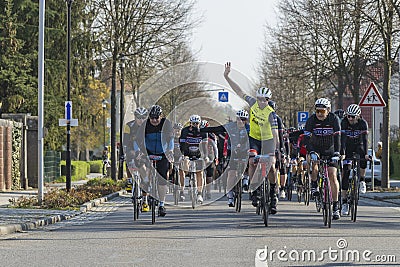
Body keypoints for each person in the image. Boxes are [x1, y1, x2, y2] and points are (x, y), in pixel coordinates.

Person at [224, 62, 280, 214]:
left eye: (264, 100)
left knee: (271, 166)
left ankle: (273, 194)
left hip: (268, 141)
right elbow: (239, 91)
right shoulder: (253, 103)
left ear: (268, 101)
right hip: (254, 139)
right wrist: (226, 76)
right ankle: (254, 189)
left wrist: (276, 150)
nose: (261, 102)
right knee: (252, 160)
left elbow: (275, 134)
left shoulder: (271, 114)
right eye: (260, 99)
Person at [201, 109, 250, 207]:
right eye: (239, 119)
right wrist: (201, 130)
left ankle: (246, 178)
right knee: (231, 173)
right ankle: (230, 195)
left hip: (245, 151)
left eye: (243, 119)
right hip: (232, 152)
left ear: (246, 120)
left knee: (250, 161)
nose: (240, 121)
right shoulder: (231, 126)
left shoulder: (250, 128)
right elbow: (216, 129)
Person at [133, 105, 174, 217]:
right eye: (152, 118)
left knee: (162, 181)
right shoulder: (145, 125)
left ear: (161, 116)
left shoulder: (166, 124)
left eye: (157, 117)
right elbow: (137, 141)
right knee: (141, 166)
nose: (154, 120)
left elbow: (171, 139)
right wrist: (138, 152)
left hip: (162, 153)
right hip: (148, 153)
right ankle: (145, 191)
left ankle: (161, 204)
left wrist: (170, 150)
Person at [304, 98, 341, 220]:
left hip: (330, 149)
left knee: (332, 175)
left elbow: (338, 138)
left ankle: (335, 206)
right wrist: (311, 151)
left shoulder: (334, 119)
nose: (319, 114)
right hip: (316, 148)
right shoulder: (311, 120)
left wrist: (337, 153)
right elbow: (306, 139)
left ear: (328, 110)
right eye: (317, 111)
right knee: (314, 163)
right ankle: (314, 185)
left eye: (322, 111)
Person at [340, 104, 369, 215]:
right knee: (346, 172)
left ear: (358, 116)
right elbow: (341, 140)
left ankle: (362, 180)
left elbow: (365, 140)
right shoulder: (343, 122)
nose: (350, 119)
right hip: (347, 147)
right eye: (348, 116)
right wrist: (342, 153)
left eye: (353, 116)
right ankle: (344, 202)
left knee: (363, 157)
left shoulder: (363, 123)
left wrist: (366, 154)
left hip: (359, 145)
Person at [179, 114, 209, 204]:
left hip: (199, 154)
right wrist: (182, 155)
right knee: (185, 163)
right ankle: (188, 178)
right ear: (190, 123)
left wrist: (206, 156)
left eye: (197, 123)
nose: (195, 125)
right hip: (187, 152)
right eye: (193, 123)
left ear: (199, 123)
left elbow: (205, 146)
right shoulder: (185, 131)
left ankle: (199, 193)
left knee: (200, 172)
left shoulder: (203, 132)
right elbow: (182, 144)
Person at [125, 107, 150, 211]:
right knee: (127, 157)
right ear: (135, 117)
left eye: (143, 117)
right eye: (139, 117)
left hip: (145, 150)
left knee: (144, 170)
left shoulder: (149, 127)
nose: (141, 120)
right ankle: (130, 180)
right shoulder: (129, 126)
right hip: (132, 148)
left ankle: (145, 201)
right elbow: (125, 142)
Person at [268, 100, 288, 199]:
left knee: (281, 166)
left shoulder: (277, 119)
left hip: (277, 144)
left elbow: (280, 136)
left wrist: (281, 150)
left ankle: (282, 188)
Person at [200, 120, 219, 200]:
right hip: (200, 154)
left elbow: (215, 147)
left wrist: (216, 157)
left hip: (209, 155)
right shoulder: (211, 134)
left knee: (209, 174)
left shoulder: (212, 135)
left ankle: (208, 191)